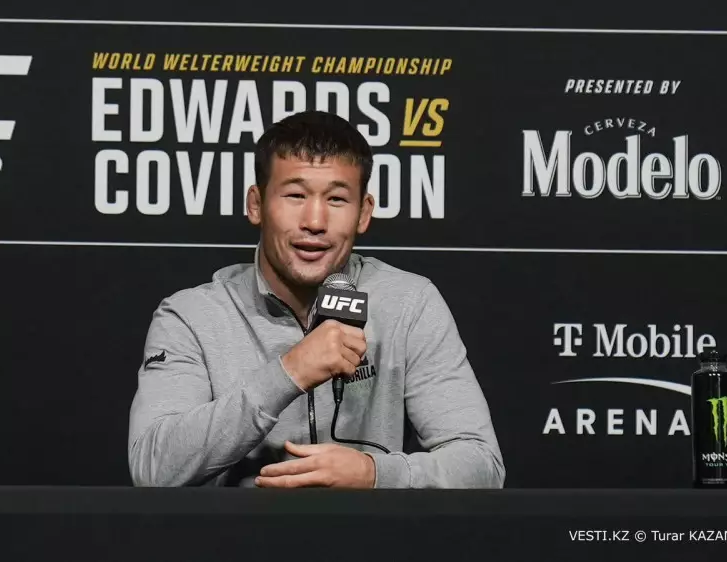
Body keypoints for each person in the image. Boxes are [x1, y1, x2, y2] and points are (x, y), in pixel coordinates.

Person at [127, 110, 505, 488]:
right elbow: (154, 468)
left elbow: (481, 465)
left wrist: (374, 474)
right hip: (238, 527)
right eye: (295, 195)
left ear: (363, 213)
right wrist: (288, 373)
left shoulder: (410, 304)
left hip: (370, 527)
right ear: (256, 204)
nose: (314, 221)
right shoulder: (191, 316)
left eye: (337, 199)